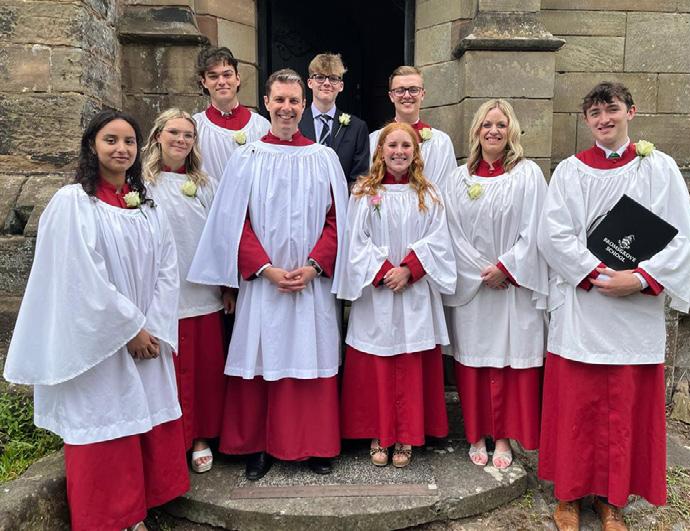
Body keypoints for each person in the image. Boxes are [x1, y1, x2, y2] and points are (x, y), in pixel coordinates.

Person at [3, 110, 187, 531]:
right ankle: (111, 517)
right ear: (92, 145)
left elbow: (167, 268)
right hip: (102, 342)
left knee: (144, 412)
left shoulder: (147, 204)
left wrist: (153, 327)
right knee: (106, 419)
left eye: (129, 141)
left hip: (148, 336)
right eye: (111, 140)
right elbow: (80, 278)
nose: (121, 149)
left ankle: (141, 507)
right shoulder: (73, 203)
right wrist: (130, 329)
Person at [537, 82, 690, 531]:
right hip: (583, 308)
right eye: (594, 113)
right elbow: (552, 234)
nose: (603, 119)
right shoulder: (570, 171)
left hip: (634, 312)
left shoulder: (658, 168)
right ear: (586, 120)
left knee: (621, 409)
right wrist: (595, 273)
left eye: (611, 109)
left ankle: (612, 500)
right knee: (578, 406)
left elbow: (681, 237)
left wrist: (641, 278)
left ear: (631, 111)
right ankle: (569, 495)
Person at [188, 68, 349, 479]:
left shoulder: (324, 158)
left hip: (311, 284)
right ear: (266, 103)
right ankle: (258, 445)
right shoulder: (247, 158)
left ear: (304, 105)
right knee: (262, 358)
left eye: (294, 100)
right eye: (279, 100)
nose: (287, 108)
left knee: (311, 358)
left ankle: (314, 443)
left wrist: (314, 265)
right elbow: (233, 221)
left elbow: (337, 221)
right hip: (264, 284)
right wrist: (265, 268)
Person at [335, 122, 456, 467]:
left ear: (416, 153)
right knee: (379, 363)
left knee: (408, 362)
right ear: (381, 151)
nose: (399, 152)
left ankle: (406, 434)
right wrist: (383, 270)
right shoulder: (364, 192)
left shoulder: (429, 194)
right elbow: (354, 241)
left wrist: (409, 269)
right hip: (378, 293)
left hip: (414, 290)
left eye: (406, 146)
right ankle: (379, 431)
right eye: (393, 145)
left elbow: (439, 240)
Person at [442, 100, 548, 470]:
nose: (493, 131)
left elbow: (537, 228)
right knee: (473, 359)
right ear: (476, 130)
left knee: (508, 359)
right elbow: (450, 232)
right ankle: (475, 433)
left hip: (513, 287)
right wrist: (481, 271)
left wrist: (507, 267)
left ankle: (503, 436)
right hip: (473, 288)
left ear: (511, 130)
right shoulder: (457, 179)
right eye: (487, 124)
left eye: (501, 125)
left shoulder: (528, 175)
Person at [142, 108, 231, 475]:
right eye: (174, 133)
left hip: (201, 290)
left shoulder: (206, 184)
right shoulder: (141, 184)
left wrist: (227, 286)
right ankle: (171, 440)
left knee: (204, 370)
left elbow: (221, 237)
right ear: (158, 136)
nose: (181, 140)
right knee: (168, 370)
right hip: (160, 293)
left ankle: (201, 437)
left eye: (188, 135)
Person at [369, 65, 456, 192]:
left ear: (423, 94)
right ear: (391, 96)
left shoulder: (441, 142)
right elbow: (371, 182)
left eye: (413, 90)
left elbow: (447, 189)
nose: (407, 95)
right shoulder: (375, 139)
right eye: (400, 90)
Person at [193, 46, 270, 181]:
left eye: (227, 75)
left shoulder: (261, 126)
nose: (221, 82)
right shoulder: (195, 127)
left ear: (237, 78)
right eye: (213, 76)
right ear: (204, 82)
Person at [298, 52, 370, 187]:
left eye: (333, 78)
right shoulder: (296, 123)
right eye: (320, 77)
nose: (326, 83)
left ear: (341, 86)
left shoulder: (357, 128)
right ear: (310, 82)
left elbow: (359, 178)